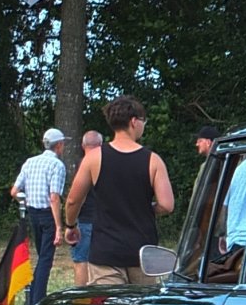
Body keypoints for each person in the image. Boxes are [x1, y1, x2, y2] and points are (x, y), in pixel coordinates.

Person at [63, 96, 174, 286]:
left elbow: (73, 200)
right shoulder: (153, 160)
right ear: (133, 122)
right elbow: (167, 205)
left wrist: (71, 226)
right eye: (143, 122)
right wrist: (146, 207)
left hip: (106, 252)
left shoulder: (94, 158)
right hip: (142, 253)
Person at [10, 127, 67, 305]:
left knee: (41, 256)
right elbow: (54, 197)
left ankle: (31, 298)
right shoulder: (57, 165)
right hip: (47, 215)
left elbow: (14, 191)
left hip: (33, 214)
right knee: (45, 259)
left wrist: (25, 202)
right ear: (58, 145)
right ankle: (36, 301)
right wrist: (59, 226)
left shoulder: (30, 162)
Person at [70, 131, 103, 285]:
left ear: (83, 146)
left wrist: (70, 223)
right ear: (101, 145)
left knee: (81, 261)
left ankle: (81, 299)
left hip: (85, 220)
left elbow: (77, 198)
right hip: (106, 221)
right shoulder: (109, 165)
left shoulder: (82, 165)